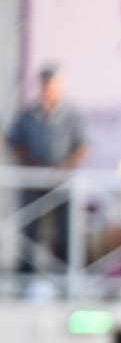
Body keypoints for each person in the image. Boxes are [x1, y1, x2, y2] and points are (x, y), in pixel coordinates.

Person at [7, 63, 90, 274]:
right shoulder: (28, 114)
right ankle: (25, 277)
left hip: (63, 182)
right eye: (44, 83)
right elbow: (13, 141)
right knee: (29, 230)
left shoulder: (72, 114)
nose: (47, 88)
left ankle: (66, 278)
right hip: (33, 181)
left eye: (51, 83)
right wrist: (33, 165)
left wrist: (64, 169)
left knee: (65, 231)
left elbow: (83, 146)